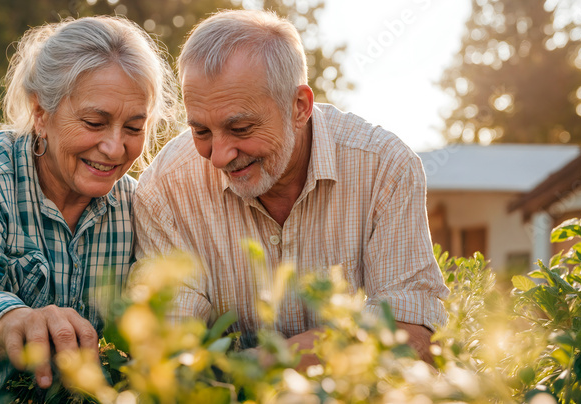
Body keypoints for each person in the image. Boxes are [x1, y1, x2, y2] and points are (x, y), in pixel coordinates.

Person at [133, 9, 449, 366]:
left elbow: (413, 334)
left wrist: (260, 366)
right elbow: (169, 352)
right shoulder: (165, 189)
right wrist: (341, 343)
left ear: (299, 106)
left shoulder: (384, 167)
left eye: (241, 129)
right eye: (201, 131)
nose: (219, 156)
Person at [0, 16, 176, 394]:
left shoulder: (136, 204)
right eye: (93, 122)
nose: (115, 147)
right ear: (41, 113)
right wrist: (14, 319)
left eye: (134, 128)